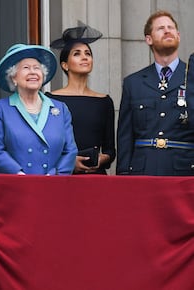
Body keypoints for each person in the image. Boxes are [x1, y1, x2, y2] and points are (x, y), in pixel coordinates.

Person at [117, 10, 194, 175]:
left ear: (178, 36)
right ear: (148, 39)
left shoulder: (191, 77)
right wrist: (123, 174)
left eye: (171, 28)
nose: (167, 31)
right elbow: (125, 136)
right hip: (144, 171)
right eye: (160, 28)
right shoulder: (133, 83)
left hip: (184, 170)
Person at [0, 43, 77, 175]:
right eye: (26, 68)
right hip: (17, 186)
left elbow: (70, 150)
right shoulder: (2, 108)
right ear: (13, 77)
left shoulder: (60, 109)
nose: (33, 72)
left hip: (54, 185)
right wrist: (19, 174)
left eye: (37, 68)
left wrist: (54, 175)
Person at [46, 24, 116, 174]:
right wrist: (69, 161)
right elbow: (45, 146)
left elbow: (110, 150)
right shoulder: (50, 100)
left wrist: (100, 159)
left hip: (95, 178)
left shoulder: (104, 101)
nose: (84, 57)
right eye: (77, 54)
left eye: (88, 53)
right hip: (63, 176)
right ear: (65, 65)